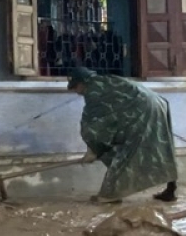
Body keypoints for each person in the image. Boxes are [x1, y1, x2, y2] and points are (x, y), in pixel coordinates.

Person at [66, 67, 179, 204]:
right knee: (163, 147)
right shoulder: (106, 80)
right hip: (157, 103)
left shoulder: (93, 90)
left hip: (142, 110)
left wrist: (93, 149)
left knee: (125, 153)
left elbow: (93, 125)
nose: (75, 92)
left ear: (82, 83)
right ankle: (171, 189)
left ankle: (110, 195)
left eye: (75, 87)